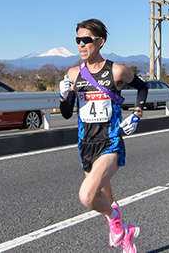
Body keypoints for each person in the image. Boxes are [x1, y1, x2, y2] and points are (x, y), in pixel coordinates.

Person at [59, 18, 148, 253]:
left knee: (87, 196)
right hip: (86, 144)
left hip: (110, 141)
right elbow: (67, 113)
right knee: (105, 198)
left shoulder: (117, 70)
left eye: (86, 39)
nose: (81, 44)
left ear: (100, 42)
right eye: (78, 40)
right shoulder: (74, 73)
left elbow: (142, 87)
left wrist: (137, 114)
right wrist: (63, 96)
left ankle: (116, 222)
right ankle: (126, 234)